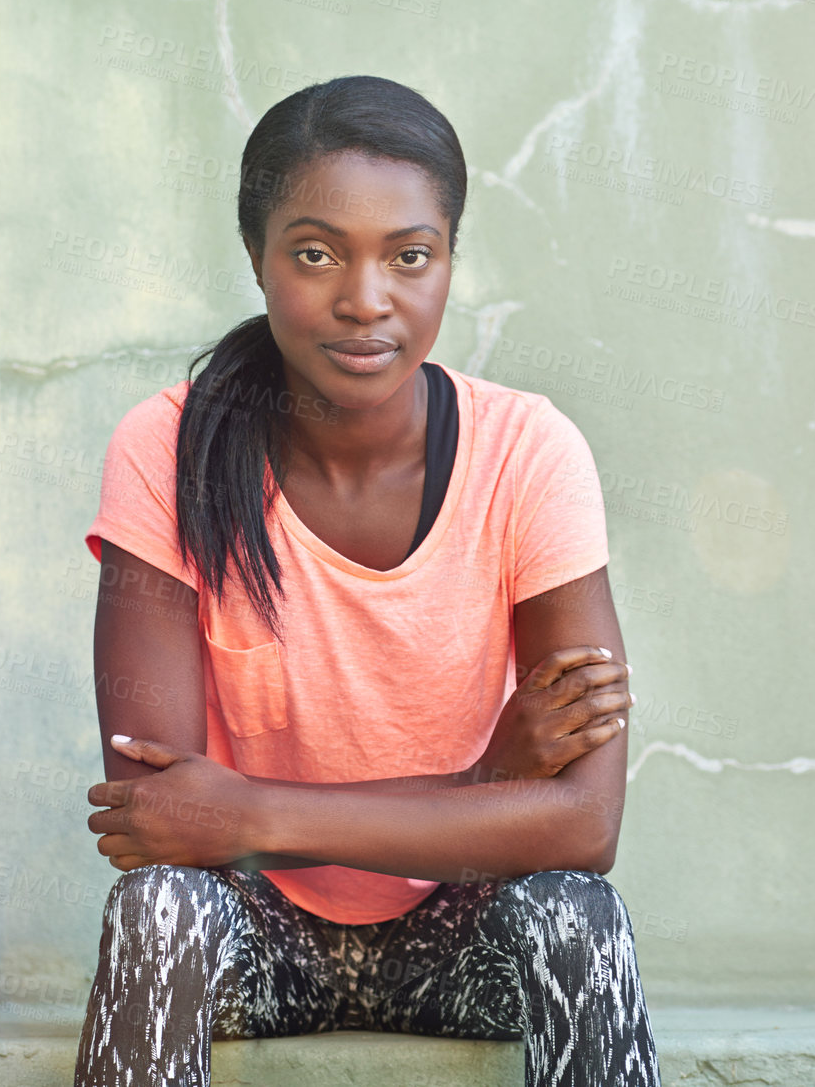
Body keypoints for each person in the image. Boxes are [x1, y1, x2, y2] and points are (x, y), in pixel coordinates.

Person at [73, 75, 660, 1087]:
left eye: (409, 255)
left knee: (575, 912)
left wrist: (250, 810)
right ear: (257, 258)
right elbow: (159, 815)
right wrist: (482, 787)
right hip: (258, 924)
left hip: (464, 926)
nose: (364, 298)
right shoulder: (164, 447)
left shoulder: (529, 452)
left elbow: (581, 822)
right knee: (156, 907)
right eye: (314, 252)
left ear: (446, 264)